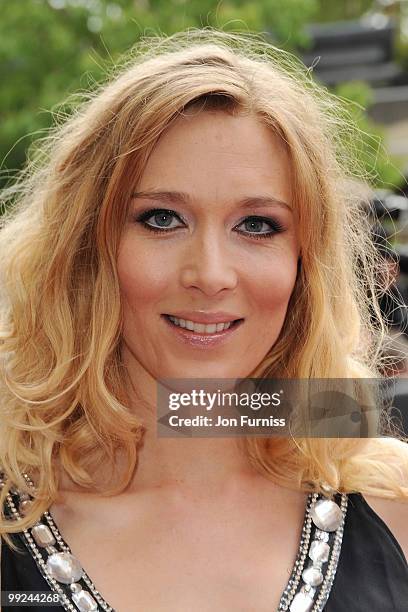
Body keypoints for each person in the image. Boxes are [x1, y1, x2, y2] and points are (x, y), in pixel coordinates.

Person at [0, 29, 407, 612]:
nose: (210, 274)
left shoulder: (394, 500)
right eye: (162, 219)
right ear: (87, 245)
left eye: (258, 225)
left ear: (305, 262)